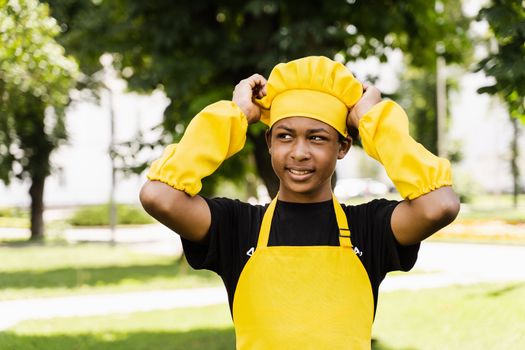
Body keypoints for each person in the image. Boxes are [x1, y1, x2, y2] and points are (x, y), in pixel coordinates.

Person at [140, 56, 460, 349]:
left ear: (343, 147)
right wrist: (236, 115)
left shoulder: (370, 226)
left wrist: (372, 120)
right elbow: (159, 196)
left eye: (317, 137)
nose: (299, 152)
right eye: (285, 136)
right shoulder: (235, 225)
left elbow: (439, 204)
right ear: (269, 142)